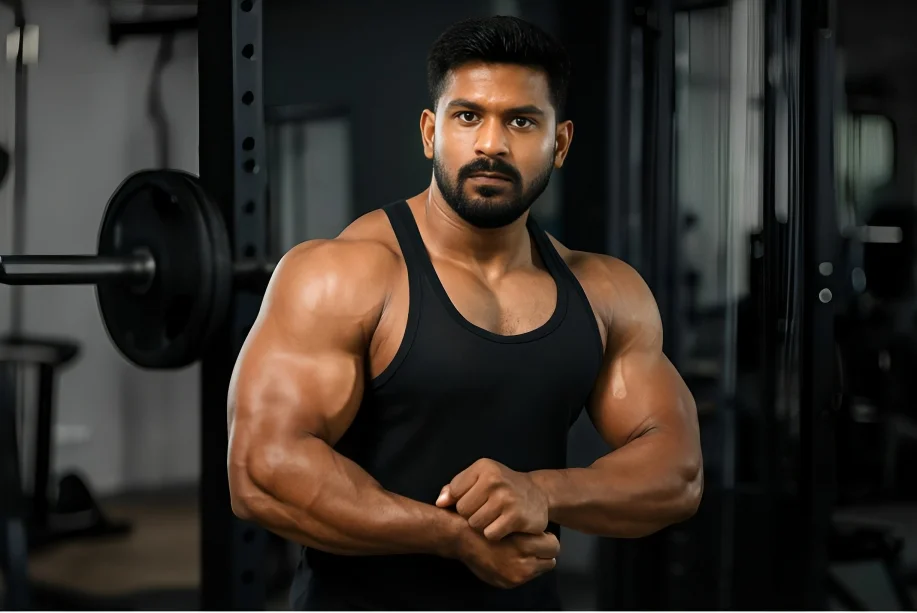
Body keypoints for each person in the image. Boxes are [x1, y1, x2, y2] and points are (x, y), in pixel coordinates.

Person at [227, 15, 703, 611]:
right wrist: (453, 537)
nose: (491, 144)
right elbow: (260, 471)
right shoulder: (344, 273)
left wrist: (542, 492)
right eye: (468, 115)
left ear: (560, 144)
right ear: (431, 132)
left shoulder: (606, 291)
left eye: (521, 121)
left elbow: (678, 472)